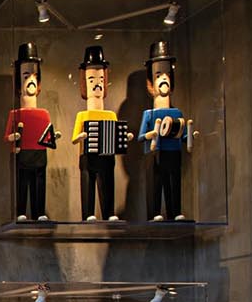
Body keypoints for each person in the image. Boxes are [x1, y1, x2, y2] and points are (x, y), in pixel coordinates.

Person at [71, 43, 130, 221]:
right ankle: (88, 213)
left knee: (107, 183)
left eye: (100, 80)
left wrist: (124, 136)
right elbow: (74, 138)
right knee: (88, 185)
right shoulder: (82, 115)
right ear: (84, 84)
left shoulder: (111, 115)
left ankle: (108, 213)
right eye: (91, 80)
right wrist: (81, 137)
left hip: (106, 157)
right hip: (88, 158)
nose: (97, 85)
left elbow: (116, 136)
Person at [139, 38, 193, 221]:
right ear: (150, 82)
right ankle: (155, 212)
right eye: (158, 75)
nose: (164, 79)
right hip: (156, 153)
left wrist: (190, 136)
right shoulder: (149, 113)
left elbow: (184, 134)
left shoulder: (177, 112)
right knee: (157, 182)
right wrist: (149, 134)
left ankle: (174, 211)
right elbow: (141, 136)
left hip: (174, 152)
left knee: (174, 182)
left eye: (167, 74)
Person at [4, 41, 56, 222]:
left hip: (39, 153)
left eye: (34, 75)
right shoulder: (15, 113)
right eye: (26, 76)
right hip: (23, 153)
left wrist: (53, 137)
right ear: (19, 82)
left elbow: (49, 134)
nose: (31, 80)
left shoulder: (44, 114)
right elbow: (7, 136)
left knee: (39, 183)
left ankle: (39, 211)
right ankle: (21, 211)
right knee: (23, 183)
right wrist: (14, 136)